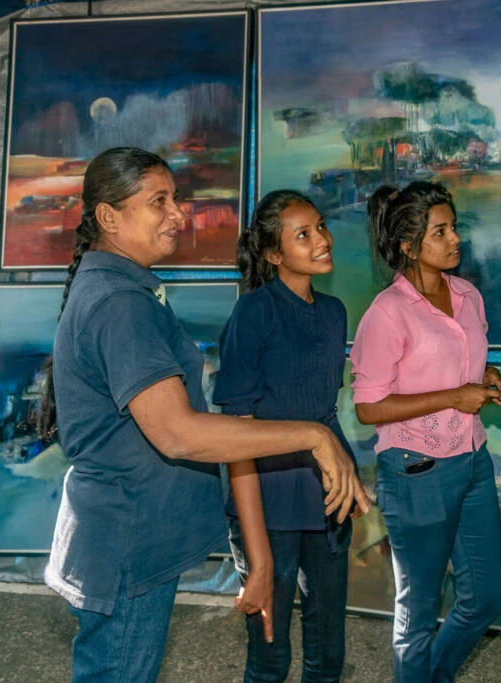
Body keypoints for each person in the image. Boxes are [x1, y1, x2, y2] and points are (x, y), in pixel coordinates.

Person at [35, 148, 367, 683]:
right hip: (126, 546)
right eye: (159, 202)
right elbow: (178, 433)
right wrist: (313, 436)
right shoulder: (120, 303)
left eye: (176, 199)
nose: (178, 214)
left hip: (134, 543)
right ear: (109, 217)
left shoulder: (129, 292)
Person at [350, 181, 501, 682]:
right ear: (408, 245)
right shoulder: (387, 313)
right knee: (418, 611)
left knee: (485, 598)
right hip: (416, 470)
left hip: (473, 460)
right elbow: (368, 407)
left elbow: (459, 362)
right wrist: (454, 397)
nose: (454, 239)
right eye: (439, 232)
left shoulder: (467, 296)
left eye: (453, 227)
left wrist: (487, 377)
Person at [213, 190, 359, 682]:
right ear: (274, 255)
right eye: (304, 234)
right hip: (266, 499)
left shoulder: (334, 312)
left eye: (321, 226)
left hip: (326, 496)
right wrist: (256, 554)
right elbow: (236, 437)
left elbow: (324, 413)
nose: (322, 240)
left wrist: (349, 476)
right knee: (270, 657)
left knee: (328, 653)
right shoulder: (254, 313)